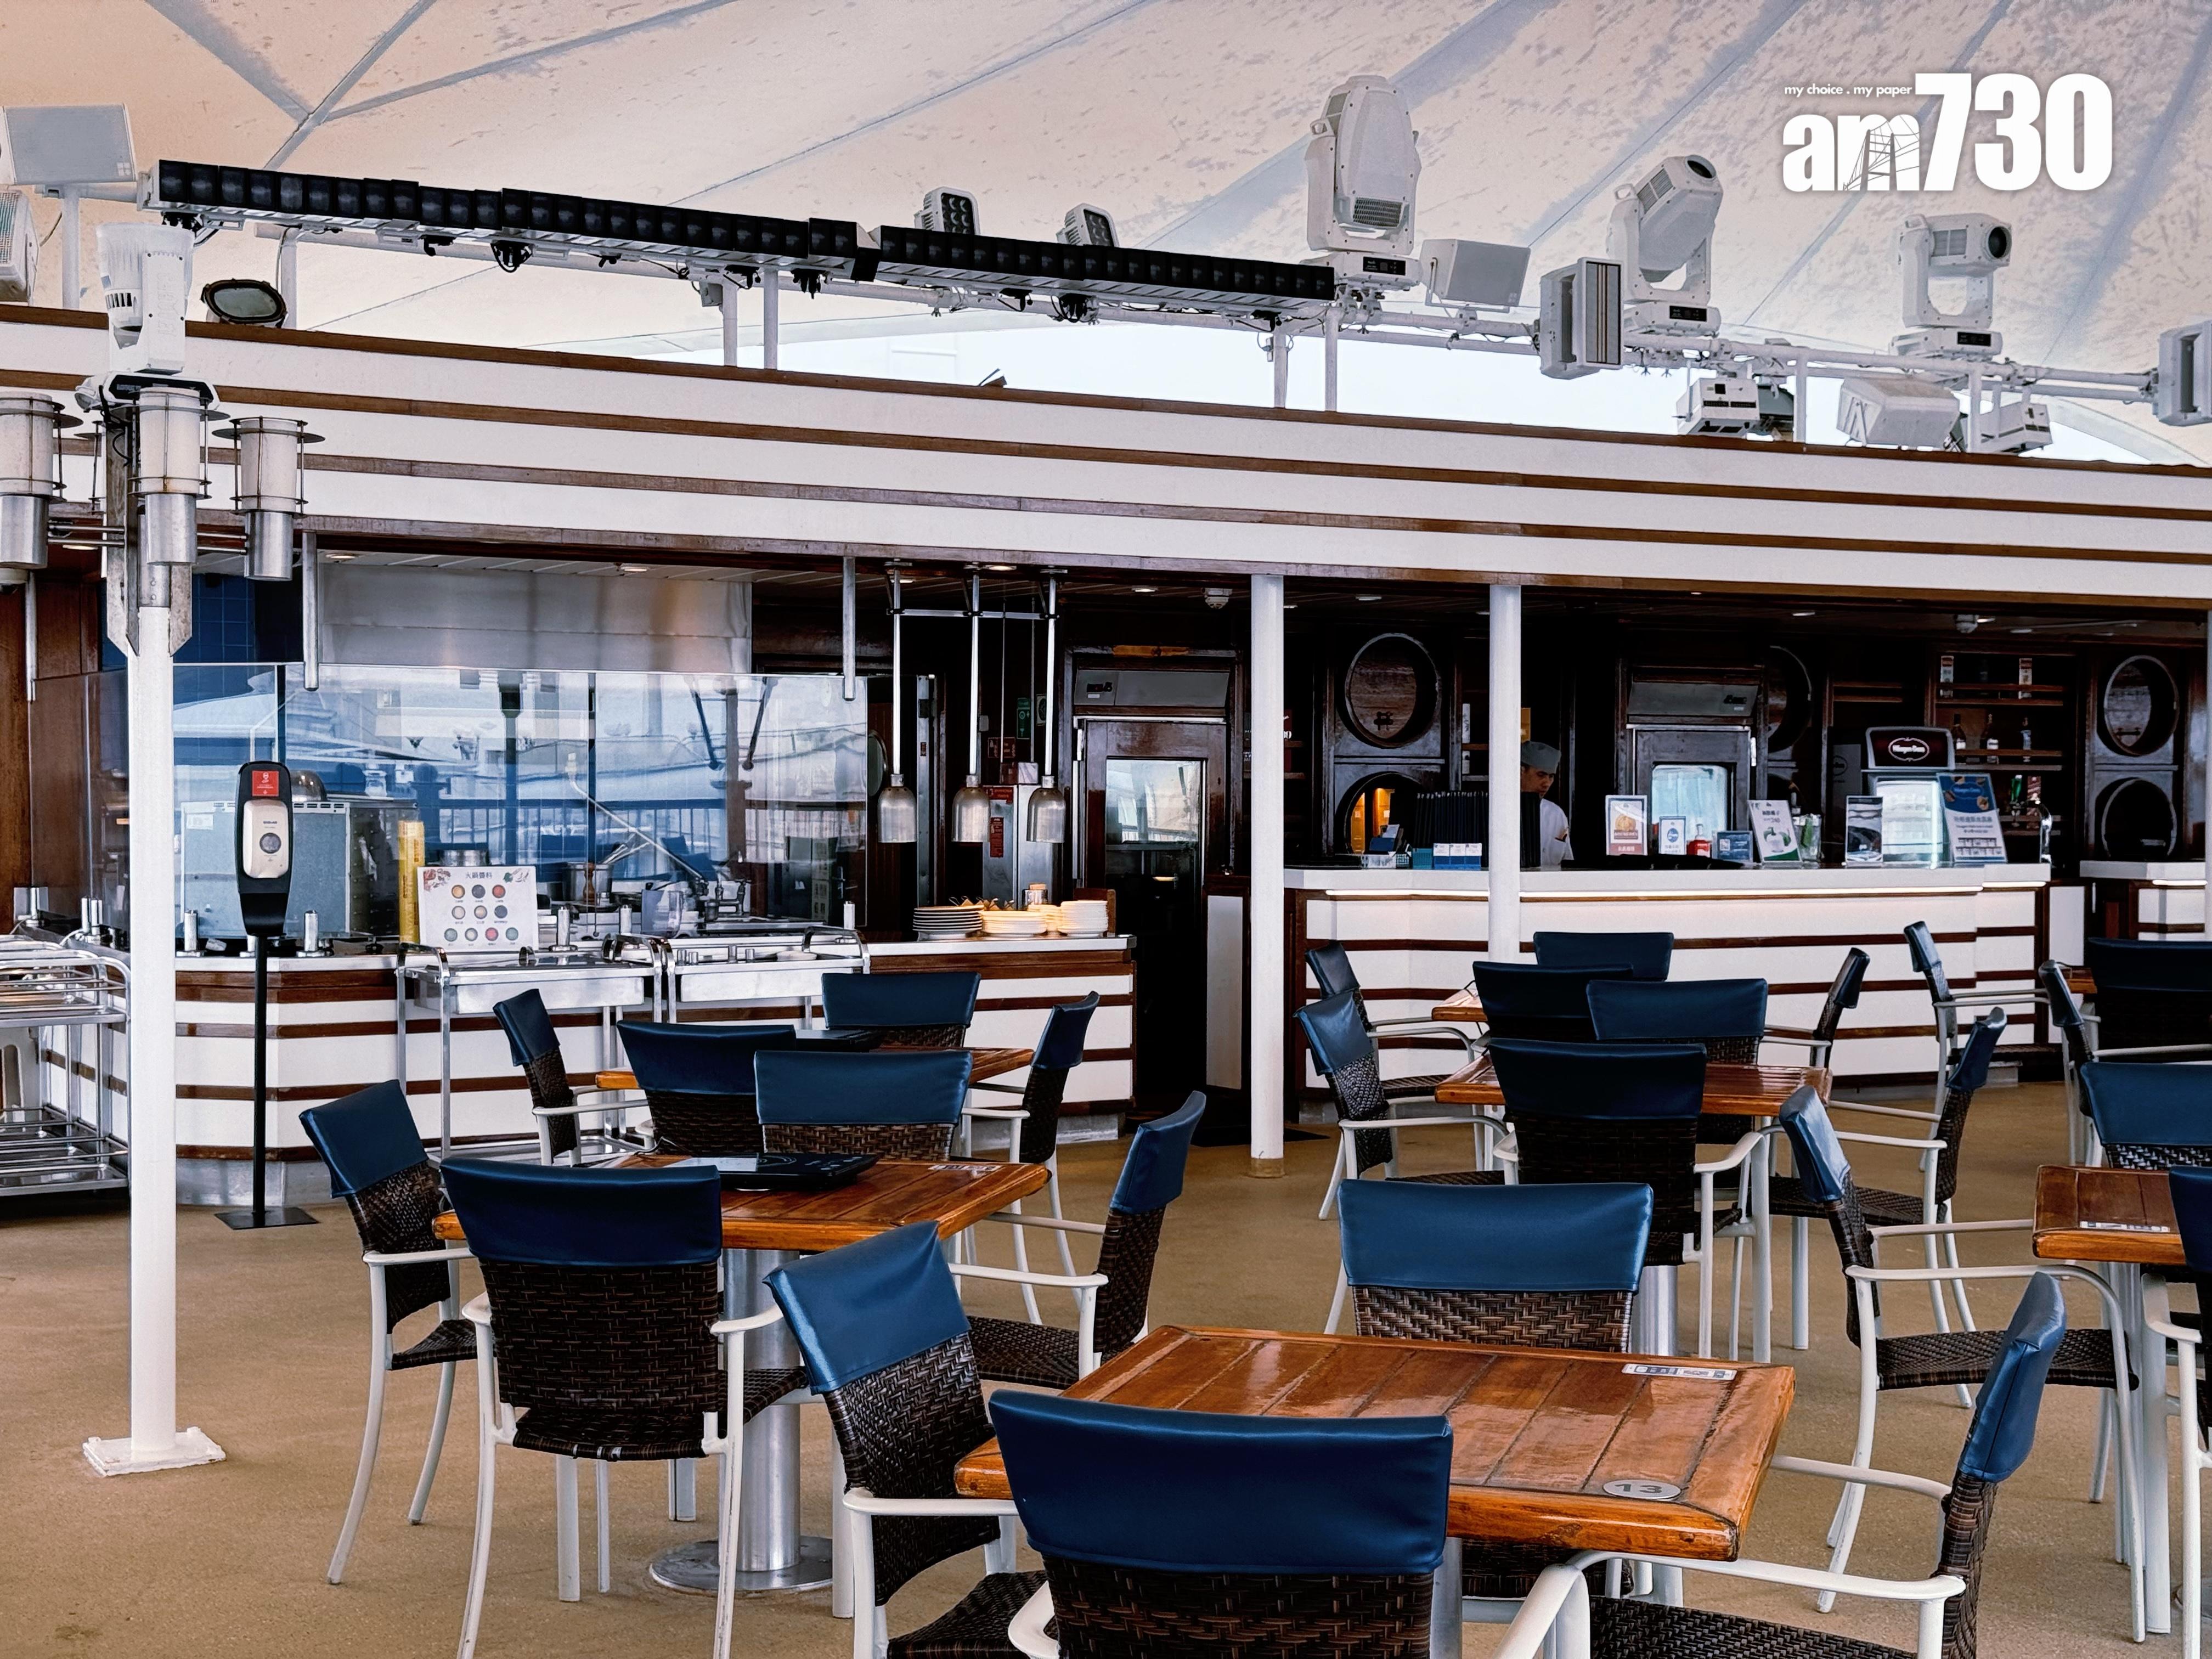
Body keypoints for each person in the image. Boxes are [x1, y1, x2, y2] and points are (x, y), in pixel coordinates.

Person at [1522, 740, 1572, 868]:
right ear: (1521, 772)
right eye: (1541, 775)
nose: (1547, 783)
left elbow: (1567, 863)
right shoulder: (1498, 810)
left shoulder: (1556, 814)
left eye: (1551, 777)